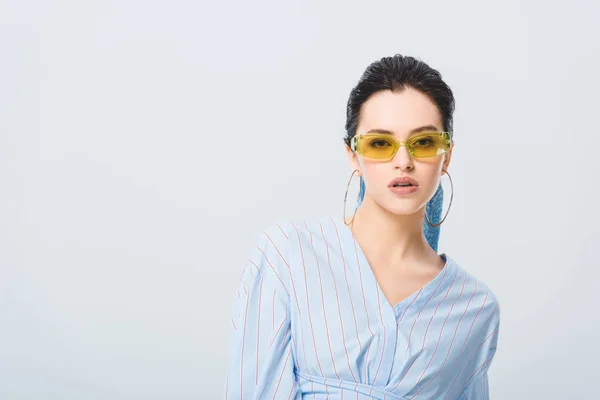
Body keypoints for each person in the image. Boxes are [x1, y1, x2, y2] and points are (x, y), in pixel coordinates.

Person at [224, 54, 500, 399]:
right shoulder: (288, 256)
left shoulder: (476, 308)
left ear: (447, 155)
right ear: (353, 154)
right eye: (380, 143)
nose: (404, 161)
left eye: (424, 142)